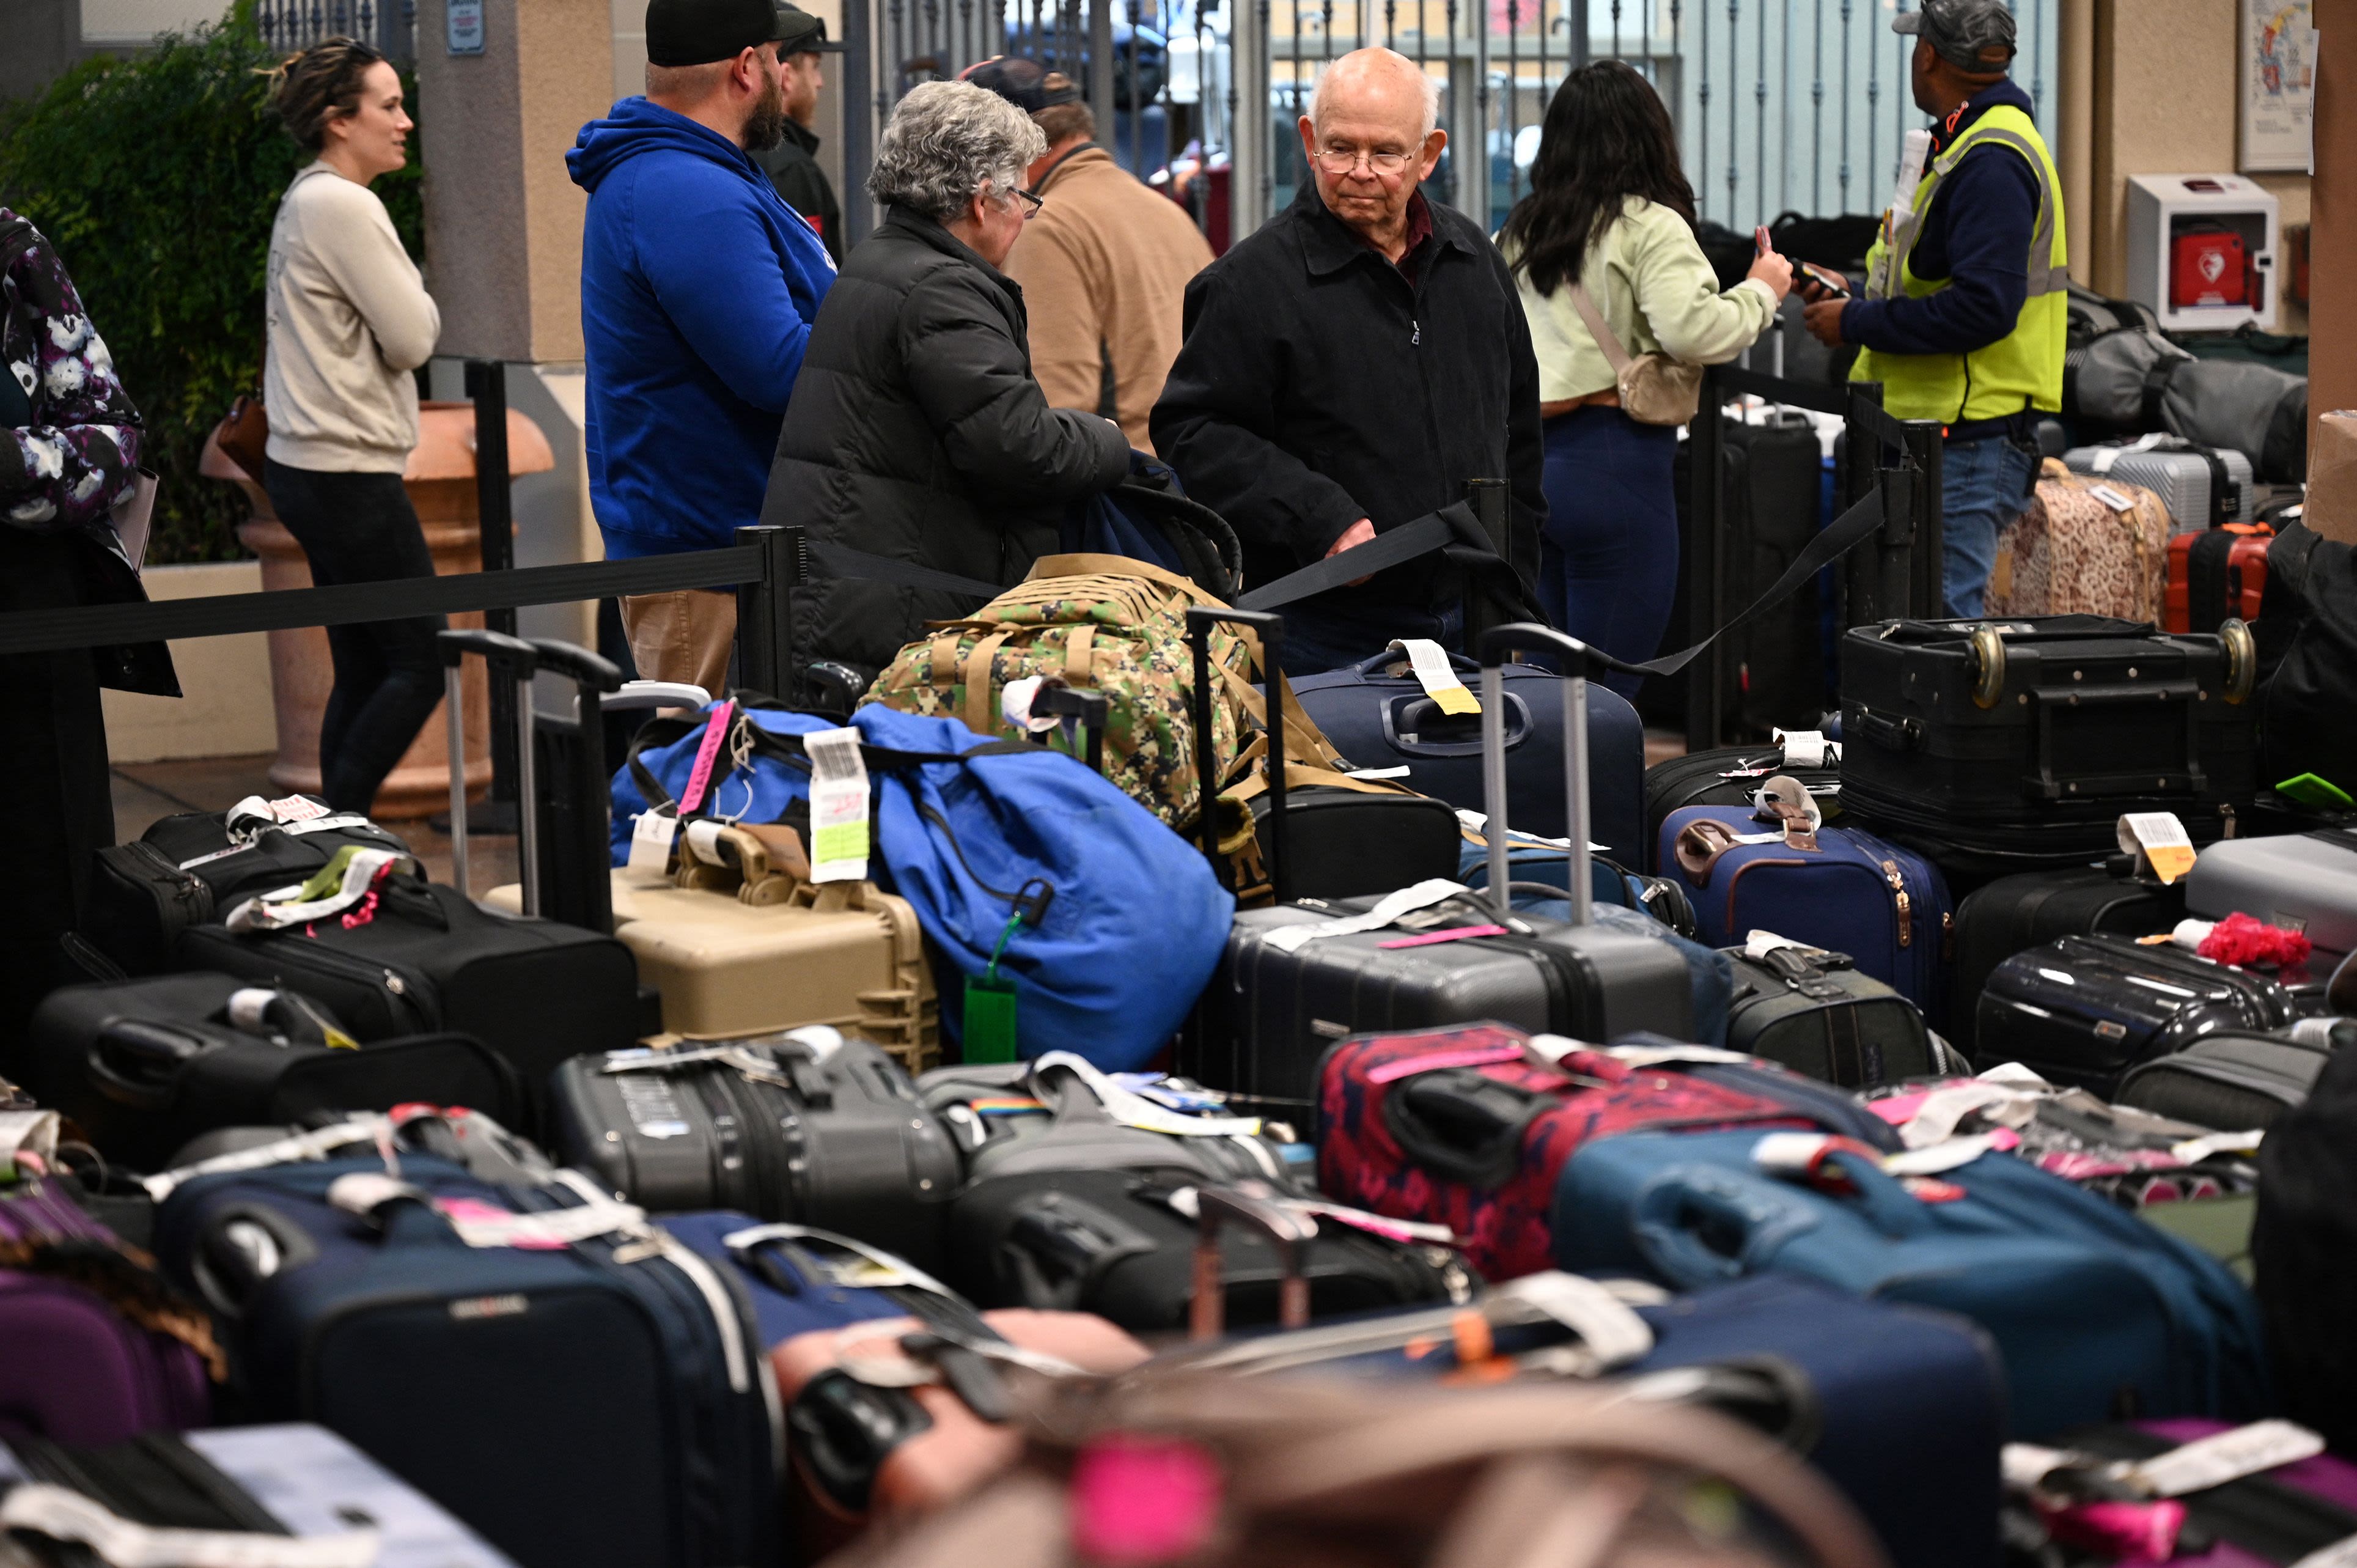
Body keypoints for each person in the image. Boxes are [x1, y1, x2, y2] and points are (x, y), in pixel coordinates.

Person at [1152, 46, 1543, 674]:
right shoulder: (1248, 283)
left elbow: (1518, 433)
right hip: (1324, 627)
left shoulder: (1474, 260)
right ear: (1309, 140)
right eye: (1340, 148)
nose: (1360, 171)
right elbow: (1194, 435)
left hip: (1471, 613)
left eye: (1386, 153)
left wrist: (1515, 584)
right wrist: (1318, 516)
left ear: (1429, 154)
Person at [760, 80, 1128, 682]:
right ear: (984, 200)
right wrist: (1108, 437)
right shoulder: (943, 290)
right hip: (891, 606)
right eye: (1022, 198)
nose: (1024, 218)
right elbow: (1019, 448)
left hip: (854, 588)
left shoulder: (880, 260)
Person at [568, 0, 837, 694]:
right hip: (711, 564)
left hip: (730, 554)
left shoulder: (698, 171)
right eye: (779, 57)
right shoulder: (686, 188)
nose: (786, 72)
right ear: (748, 68)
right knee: (714, 792)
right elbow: (779, 368)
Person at [1498, 61, 1789, 698]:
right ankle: (1600, 802)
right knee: (1606, 697)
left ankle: (1535, 801)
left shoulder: (1519, 231)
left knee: (1544, 695)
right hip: (1617, 468)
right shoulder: (1650, 227)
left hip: (1530, 476)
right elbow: (1694, 332)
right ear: (1649, 135)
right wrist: (1762, 291)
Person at [1800, 0, 2064, 619]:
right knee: (1905, 633)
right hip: (1933, 436)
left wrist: (1857, 322)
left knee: (1939, 632)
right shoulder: (1963, 146)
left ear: (1928, 56)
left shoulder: (1991, 160)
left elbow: (1983, 308)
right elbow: (1930, 280)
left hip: (1966, 440)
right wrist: (1855, 298)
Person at [261, 38, 444, 814]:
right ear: (340, 120)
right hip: (346, 471)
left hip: (310, 466)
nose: (405, 122)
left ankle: (323, 837)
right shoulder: (342, 202)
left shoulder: (308, 197)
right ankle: (340, 827)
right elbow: (414, 337)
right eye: (389, 105)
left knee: (368, 667)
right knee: (419, 662)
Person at [0, 213, 160, 1039]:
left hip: (32, 615)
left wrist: (12, 465)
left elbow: (111, 434)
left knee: (52, 891)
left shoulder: (11, 249)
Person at [961, 56, 1215, 453]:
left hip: (1127, 491)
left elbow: (1055, 412)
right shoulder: (1165, 211)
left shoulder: (1046, 227)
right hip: (1190, 479)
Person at [749, 4, 845, 267]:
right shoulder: (791, 169)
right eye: (814, 67)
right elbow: (812, 280)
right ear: (787, 77)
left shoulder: (732, 153)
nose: (820, 82)